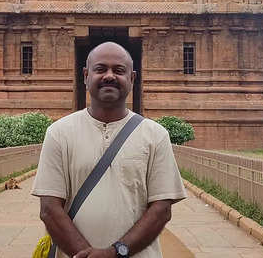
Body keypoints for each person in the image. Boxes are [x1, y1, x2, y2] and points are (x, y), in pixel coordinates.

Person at [32, 42, 186, 258]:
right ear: (86, 75)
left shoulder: (155, 135)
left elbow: (161, 210)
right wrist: (85, 254)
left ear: (132, 78)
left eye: (119, 70)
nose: (109, 76)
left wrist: (116, 253)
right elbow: (49, 208)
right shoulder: (59, 133)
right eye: (101, 69)